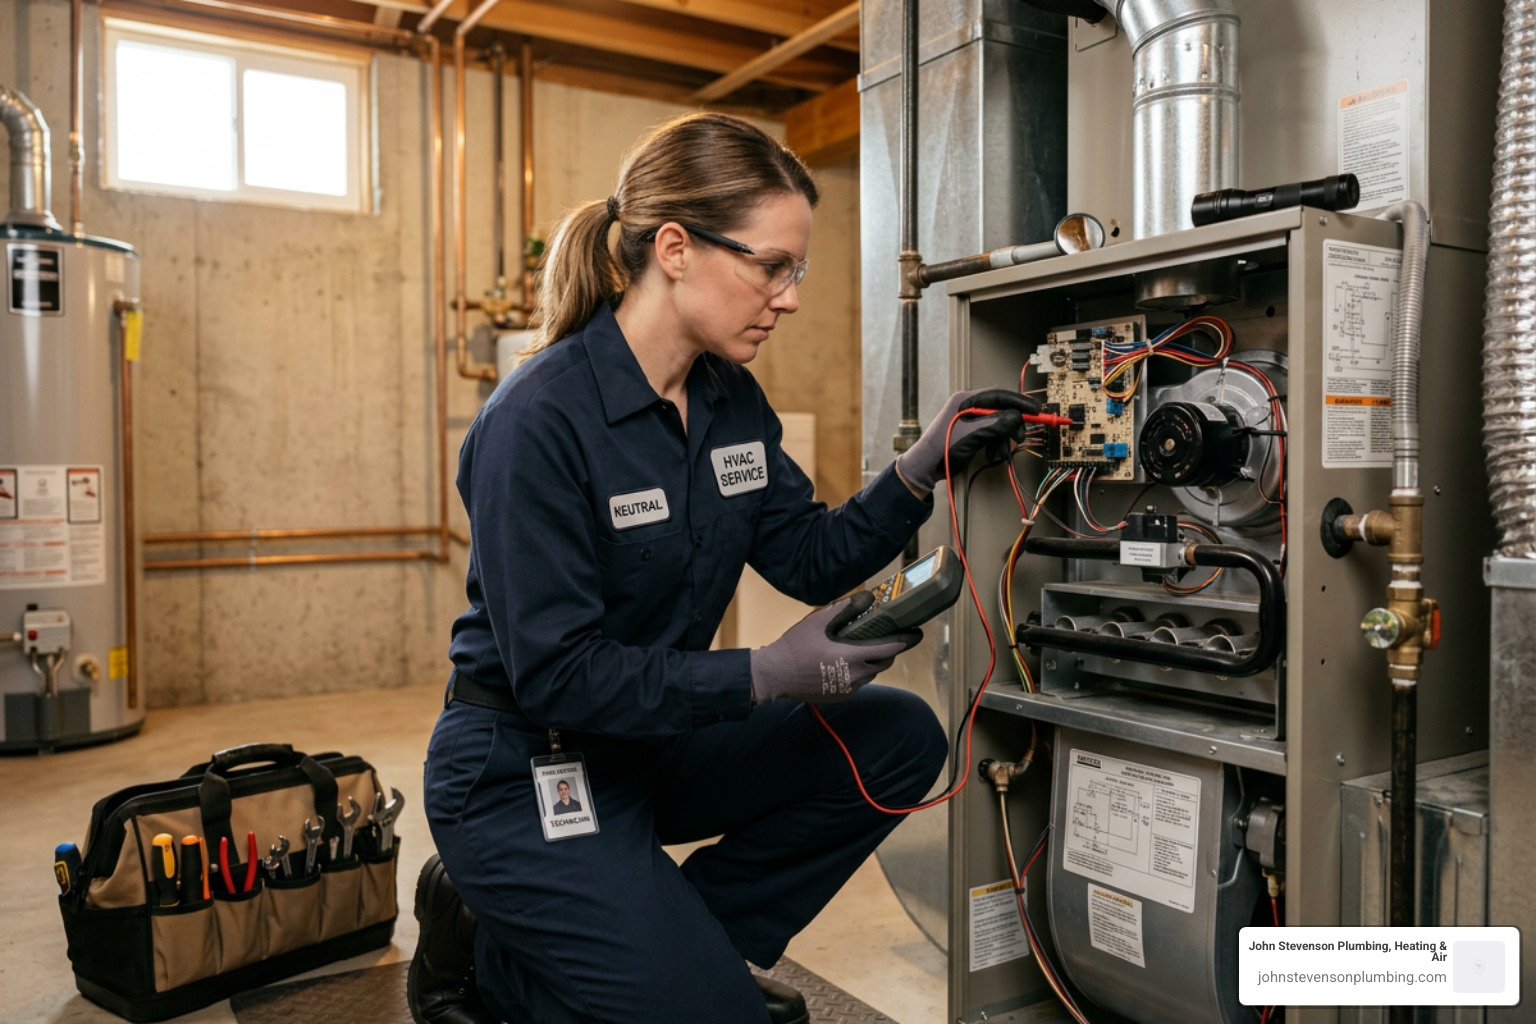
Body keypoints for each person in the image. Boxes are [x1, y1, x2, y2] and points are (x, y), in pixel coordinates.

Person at [410, 112, 1036, 1024]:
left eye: (797, 270)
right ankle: (494, 954)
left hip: (650, 747)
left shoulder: (727, 396)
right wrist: (766, 674)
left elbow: (805, 553)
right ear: (674, 247)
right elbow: (557, 674)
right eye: (770, 266)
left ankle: (677, 947)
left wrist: (915, 472)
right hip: (526, 771)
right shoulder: (537, 422)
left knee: (898, 738)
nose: (787, 297)